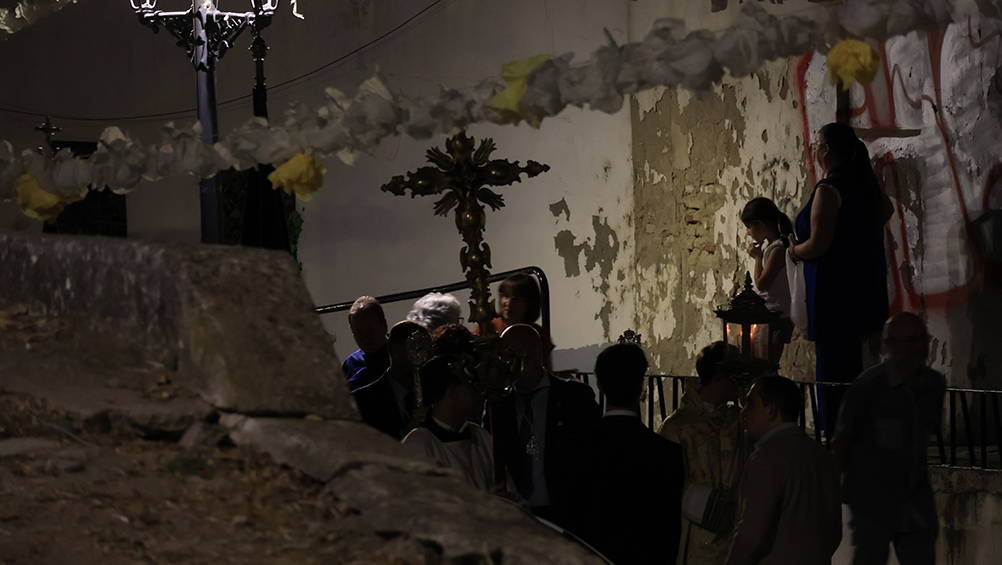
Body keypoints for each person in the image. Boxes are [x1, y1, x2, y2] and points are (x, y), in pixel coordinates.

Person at [788, 123, 893, 437]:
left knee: (835, 369)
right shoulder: (865, 185)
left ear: (826, 149)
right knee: (862, 365)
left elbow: (819, 244)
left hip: (834, 291)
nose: (814, 150)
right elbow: (886, 210)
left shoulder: (830, 189)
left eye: (816, 145)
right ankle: (863, 430)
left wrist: (793, 250)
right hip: (865, 284)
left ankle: (837, 435)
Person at [555, 343, 684, 564]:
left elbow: (567, 526)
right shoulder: (666, 453)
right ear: (641, 385)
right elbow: (669, 533)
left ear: (599, 384)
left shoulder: (571, 450)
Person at [832, 312, 946, 565]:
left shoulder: (933, 385)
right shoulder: (869, 387)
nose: (918, 346)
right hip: (873, 503)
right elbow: (844, 441)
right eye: (910, 340)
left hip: (915, 501)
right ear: (890, 344)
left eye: (922, 339)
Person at [484, 324, 601, 521]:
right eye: (504, 356)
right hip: (514, 513)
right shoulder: (498, 404)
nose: (509, 363)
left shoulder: (574, 396)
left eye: (515, 354)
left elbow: (592, 453)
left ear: (536, 352)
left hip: (566, 511)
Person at [727, 376, 842, 565]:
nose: (743, 411)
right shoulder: (823, 456)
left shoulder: (766, 458)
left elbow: (750, 534)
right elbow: (834, 530)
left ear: (771, 410)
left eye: (750, 404)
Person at [658, 342, 746, 565]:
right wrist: (726, 499)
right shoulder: (677, 428)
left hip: (737, 536)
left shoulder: (739, 420)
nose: (743, 381)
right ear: (719, 379)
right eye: (737, 374)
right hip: (695, 538)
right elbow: (668, 488)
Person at [402, 354, 502, 493]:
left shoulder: (479, 435)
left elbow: (507, 489)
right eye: (470, 385)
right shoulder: (419, 445)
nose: (478, 392)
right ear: (454, 391)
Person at [352, 321, 431, 440]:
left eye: (429, 350)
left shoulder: (436, 395)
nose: (426, 357)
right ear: (396, 351)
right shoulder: (362, 401)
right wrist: (404, 434)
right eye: (418, 348)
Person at [742, 197, 795, 364]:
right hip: (768, 315)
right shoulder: (771, 247)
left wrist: (757, 258)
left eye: (749, 227)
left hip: (776, 316)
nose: (748, 232)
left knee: (767, 365)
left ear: (760, 224)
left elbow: (761, 284)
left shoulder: (777, 249)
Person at [492, 274, 556, 371]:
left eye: (516, 298)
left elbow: (545, 371)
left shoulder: (538, 334)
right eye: (505, 296)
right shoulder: (489, 327)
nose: (508, 303)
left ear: (529, 302)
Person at [341, 296, 390, 391]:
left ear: (384, 325)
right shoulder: (351, 364)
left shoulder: (400, 356)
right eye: (359, 332)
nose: (365, 337)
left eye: (371, 330)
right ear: (353, 334)